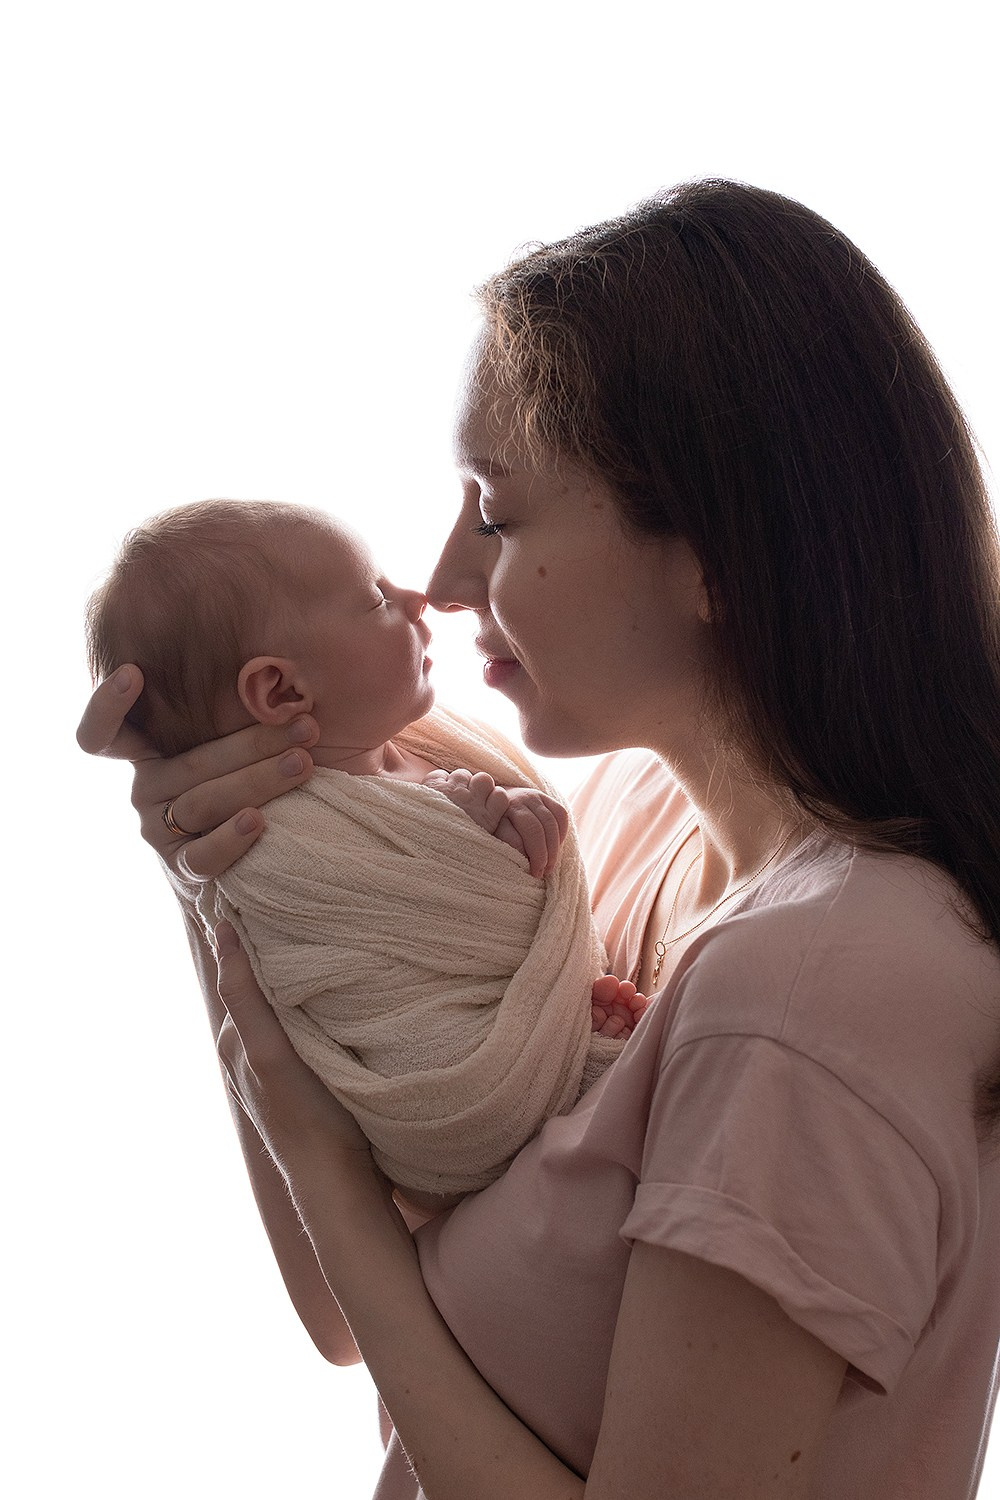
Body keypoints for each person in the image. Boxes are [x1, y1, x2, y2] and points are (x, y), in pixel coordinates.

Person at [78, 179, 1000, 1497]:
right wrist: (226, 862)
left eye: (497, 514)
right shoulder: (611, 833)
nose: (444, 581)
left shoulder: (809, 990)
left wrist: (331, 1188)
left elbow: (359, 1265)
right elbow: (345, 1315)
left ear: (709, 554)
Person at [85, 498, 642, 1201]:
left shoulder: (416, 754)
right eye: (377, 597)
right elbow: (472, 895)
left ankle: (570, 1045)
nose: (417, 597)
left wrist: (482, 811)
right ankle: (565, 1054)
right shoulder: (279, 842)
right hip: (457, 1091)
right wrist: (492, 834)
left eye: (498, 515)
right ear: (281, 689)